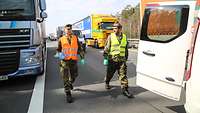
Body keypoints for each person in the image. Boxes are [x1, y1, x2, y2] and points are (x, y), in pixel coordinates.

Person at [103, 22, 133, 98]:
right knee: (109, 74)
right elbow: (107, 48)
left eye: (115, 28)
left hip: (122, 60)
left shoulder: (125, 37)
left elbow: (125, 48)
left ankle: (125, 90)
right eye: (113, 28)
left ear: (120, 29)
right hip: (112, 60)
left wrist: (126, 58)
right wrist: (105, 58)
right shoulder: (110, 36)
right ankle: (107, 82)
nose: (114, 30)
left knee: (123, 75)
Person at [57, 24, 85, 103]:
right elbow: (58, 50)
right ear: (64, 30)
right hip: (64, 62)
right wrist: (60, 57)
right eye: (67, 29)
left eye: (70, 29)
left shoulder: (75, 38)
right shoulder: (61, 39)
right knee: (65, 78)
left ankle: (70, 83)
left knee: (74, 76)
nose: (69, 30)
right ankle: (68, 93)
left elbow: (80, 49)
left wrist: (82, 58)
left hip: (73, 61)